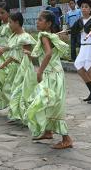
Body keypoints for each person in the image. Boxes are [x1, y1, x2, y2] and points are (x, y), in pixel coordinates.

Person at [25, 10, 73, 149]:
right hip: (55, 74)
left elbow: (48, 54)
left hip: (51, 75)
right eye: (38, 19)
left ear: (49, 23)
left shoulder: (44, 36)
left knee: (53, 104)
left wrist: (39, 72)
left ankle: (66, 138)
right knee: (48, 102)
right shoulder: (50, 36)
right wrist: (30, 54)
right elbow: (43, 55)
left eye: (40, 20)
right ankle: (47, 131)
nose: (37, 22)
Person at [0, 12, 36, 121]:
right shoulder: (14, 36)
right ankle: (18, 113)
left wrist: (25, 71)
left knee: (23, 92)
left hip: (23, 69)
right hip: (14, 68)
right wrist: (3, 65)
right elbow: (14, 55)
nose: (9, 25)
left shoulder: (25, 37)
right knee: (11, 90)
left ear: (17, 23)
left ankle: (27, 115)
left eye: (10, 22)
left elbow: (28, 56)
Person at [70, 0, 91, 104]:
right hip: (83, 48)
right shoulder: (79, 21)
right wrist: (64, 33)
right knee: (79, 68)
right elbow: (72, 30)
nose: (84, 8)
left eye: (86, 7)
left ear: (90, 9)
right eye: (82, 7)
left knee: (89, 70)